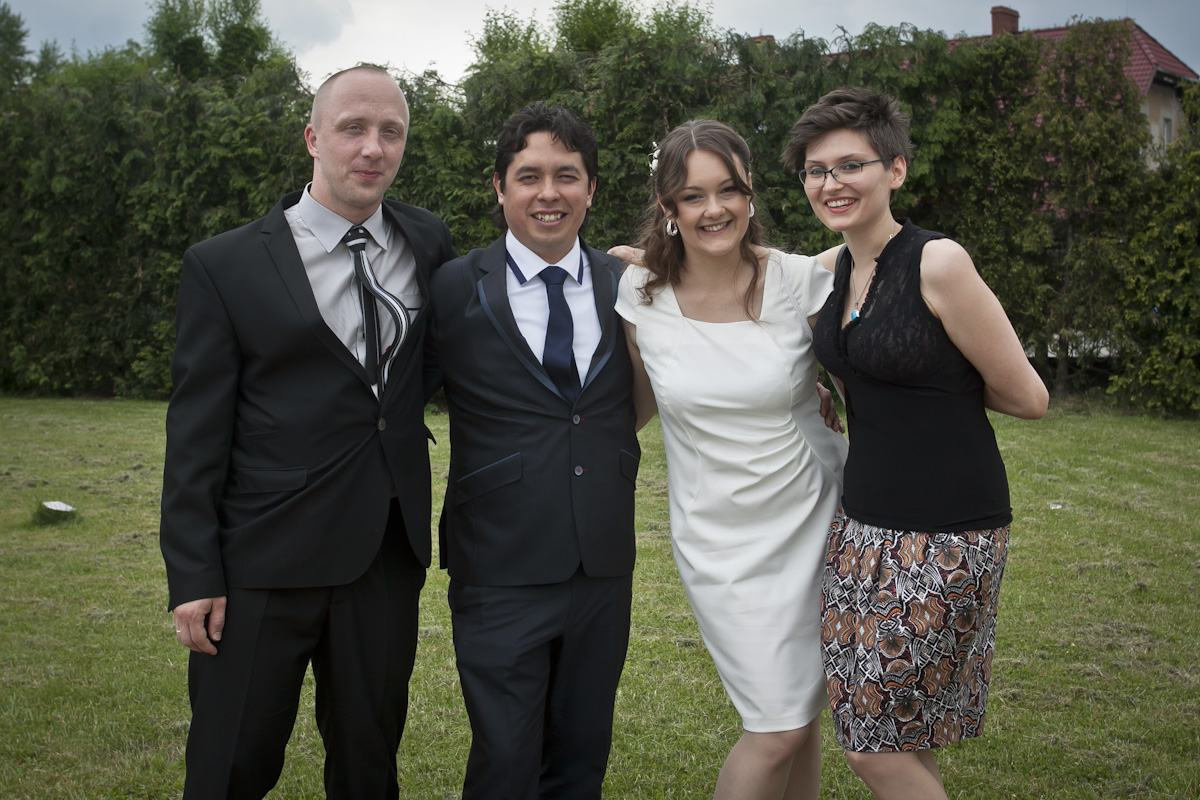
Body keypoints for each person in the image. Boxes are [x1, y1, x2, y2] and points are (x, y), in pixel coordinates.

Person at [158, 65, 456, 798]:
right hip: (262, 559)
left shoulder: (426, 241)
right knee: (230, 766)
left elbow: (448, 354)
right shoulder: (225, 265)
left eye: (391, 132)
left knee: (368, 768)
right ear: (313, 139)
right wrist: (194, 576)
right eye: (354, 128)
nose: (373, 148)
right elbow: (195, 433)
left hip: (383, 554)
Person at [782, 86, 1049, 800]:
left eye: (851, 165)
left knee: (873, 749)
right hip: (860, 526)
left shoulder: (938, 262)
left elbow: (1028, 397)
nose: (832, 184)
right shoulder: (829, 270)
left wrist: (934, 381)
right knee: (898, 735)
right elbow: (742, 275)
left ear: (895, 169)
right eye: (816, 171)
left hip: (947, 530)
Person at [613, 119, 848, 800]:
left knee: (801, 712)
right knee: (776, 727)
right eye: (693, 196)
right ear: (669, 207)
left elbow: (861, 376)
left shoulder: (799, 282)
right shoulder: (639, 293)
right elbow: (631, 410)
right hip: (720, 542)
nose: (713, 209)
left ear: (750, 194)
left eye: (728, 190)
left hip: (819, 517)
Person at [427, 102, 639, 800]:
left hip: (601, 562)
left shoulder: (629, 286)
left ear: (591, 189)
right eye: (529, 176)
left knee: (581, 759)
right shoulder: (452, 287)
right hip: (498, 564)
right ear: (500, 188)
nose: (549, 193)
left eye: (567, 176)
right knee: (506, 760)